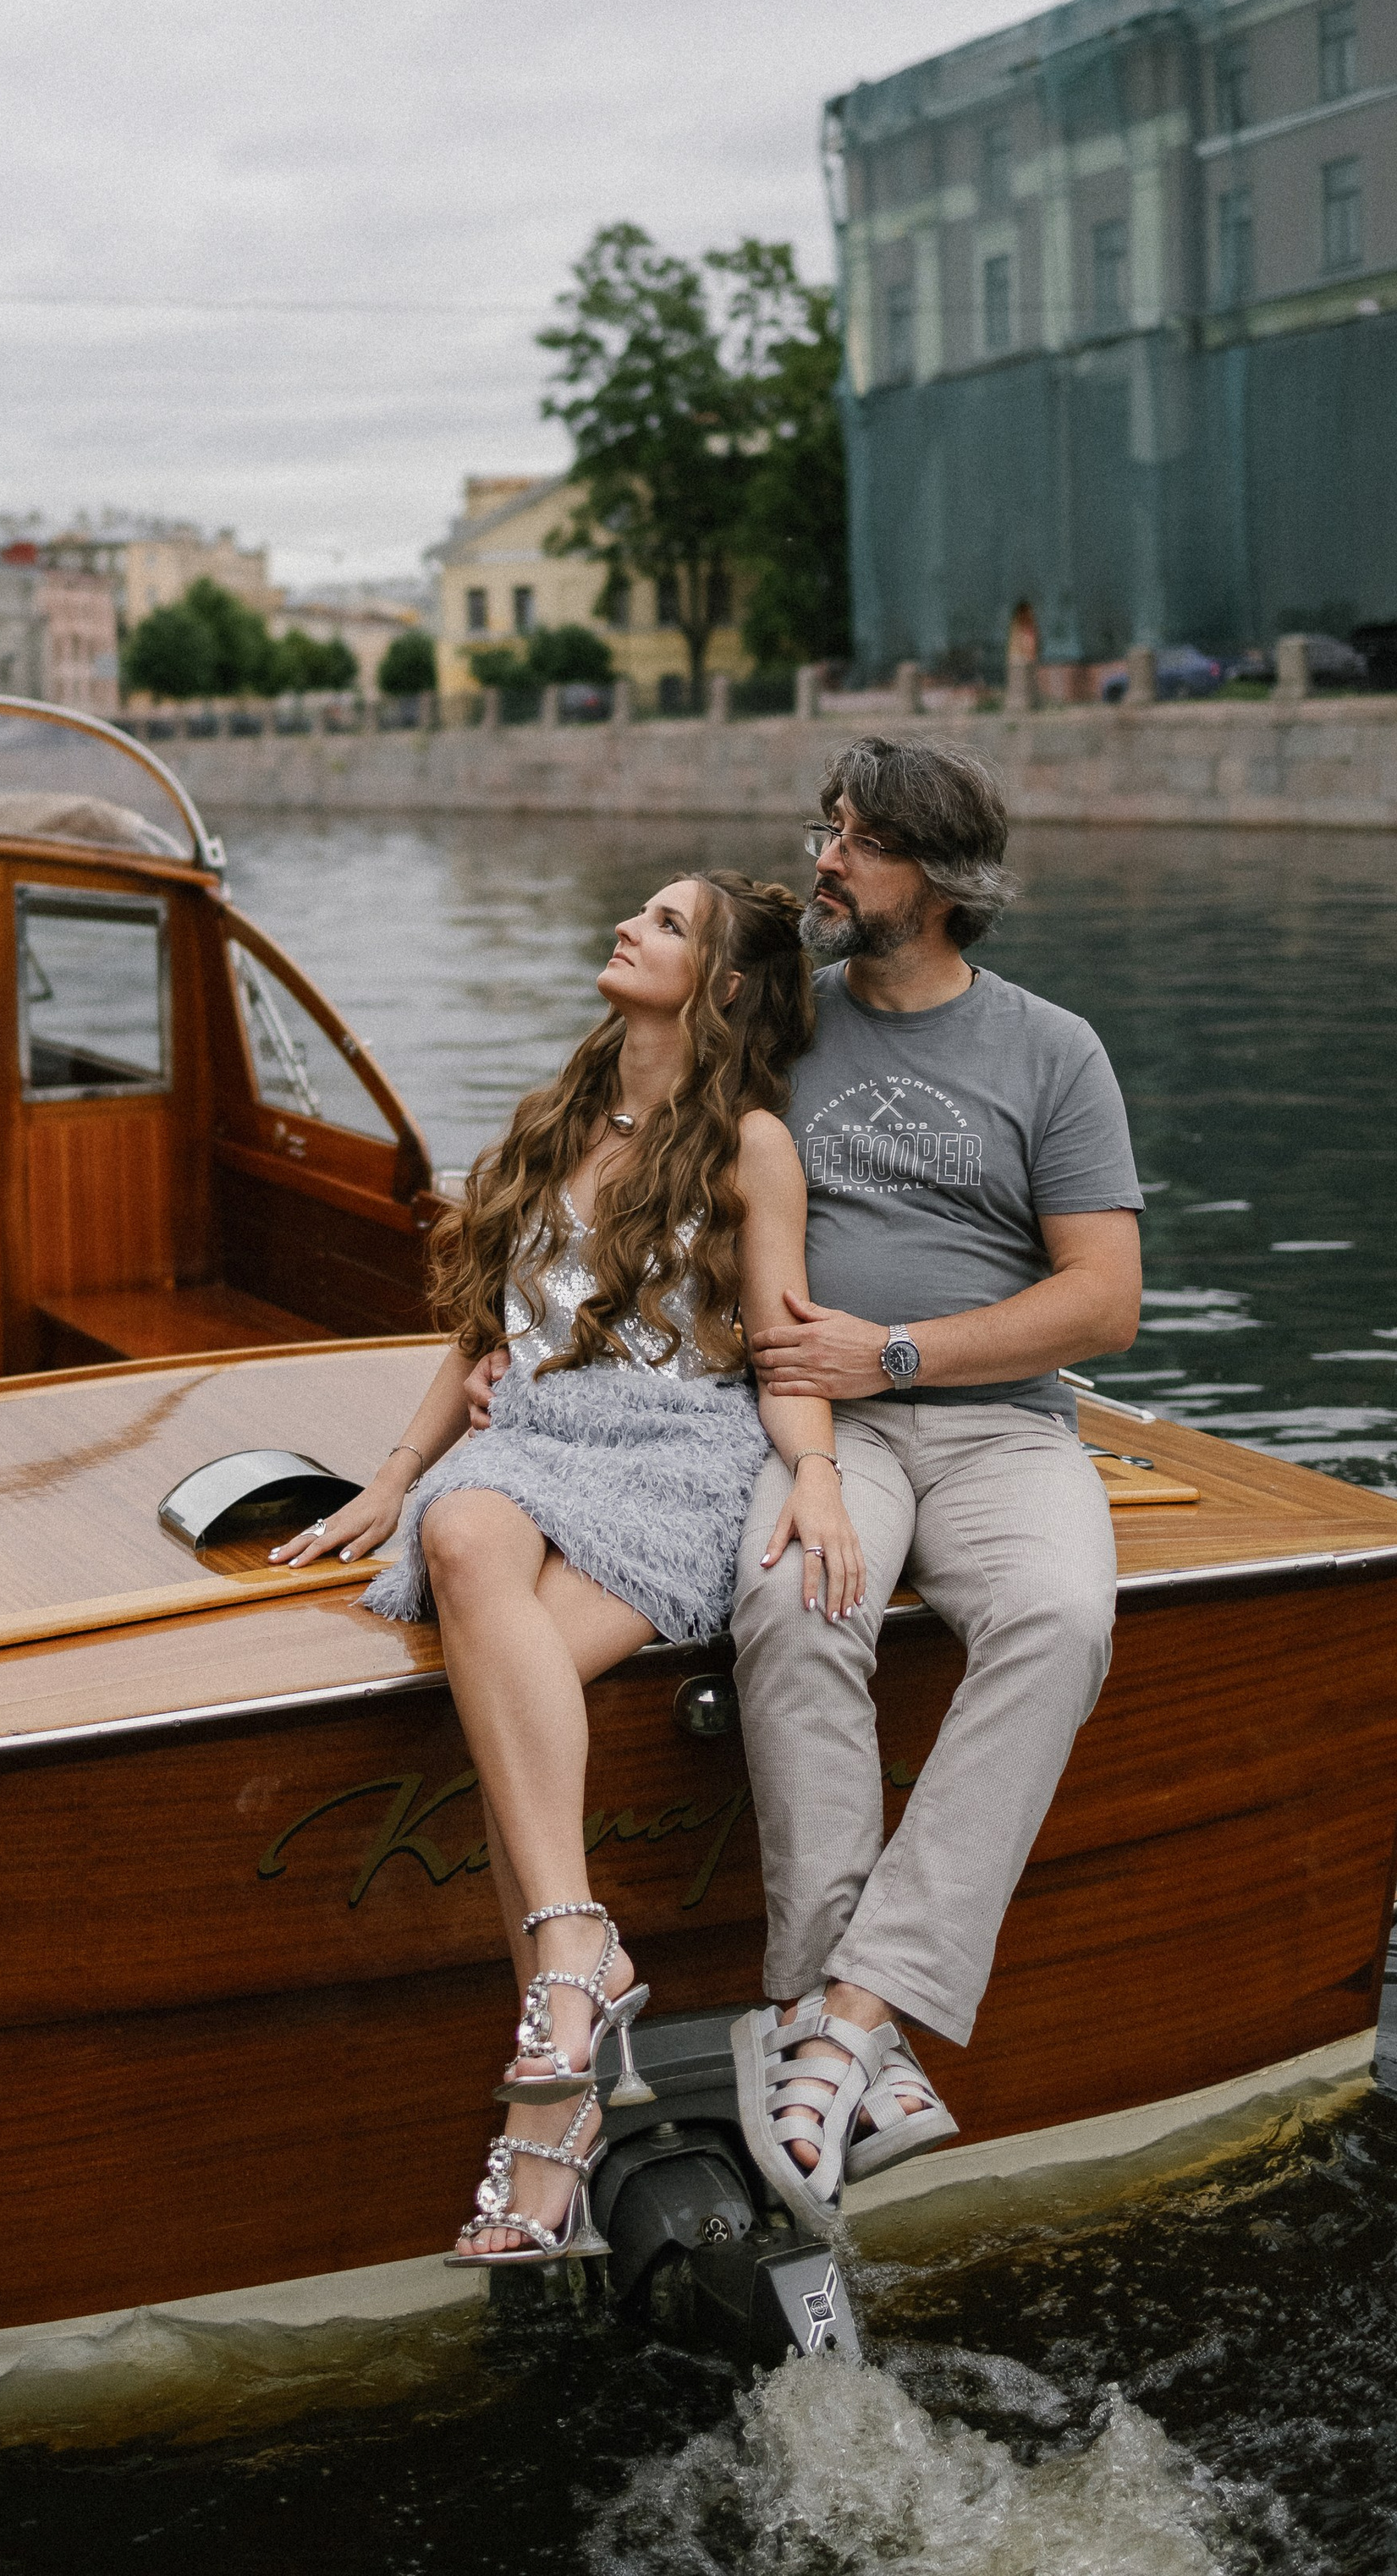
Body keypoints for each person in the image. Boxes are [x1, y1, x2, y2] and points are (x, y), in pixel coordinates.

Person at [269, 870, 857, 2266]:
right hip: (528, 1443)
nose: (628, 930)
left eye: (663, 923)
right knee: (466, 1537)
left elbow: (781, 1347)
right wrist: (393, 1478)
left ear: (718, 986)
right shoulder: (560, 1113)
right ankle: (575, 1971)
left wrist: (819, 1474)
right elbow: (476, 1333)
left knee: (497, 1683)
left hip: (672, 1457)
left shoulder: (752, 1145)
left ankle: (552, 2102)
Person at [726, 735, 1144, 2237]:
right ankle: (841, 2035)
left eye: (857, 840)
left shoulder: (1053, 1051)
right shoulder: (779, 1028)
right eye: (827, 829)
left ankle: (842, 2015)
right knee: (788, 1604)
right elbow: (654, 1169)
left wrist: (896, 1351)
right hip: (811, 1430)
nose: (824, 861)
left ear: (944, 879)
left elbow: (1103, 1305)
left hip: (995, 1427)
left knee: (1058, 1618)